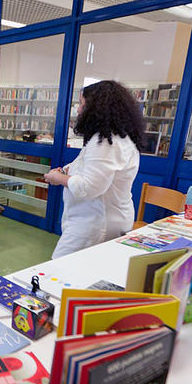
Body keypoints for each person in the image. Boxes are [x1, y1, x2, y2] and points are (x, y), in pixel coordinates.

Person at [43, 80, 143, 259]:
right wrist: (67, 171)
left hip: (94, 224)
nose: (79, 110)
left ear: (96, 107)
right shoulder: (114, 138)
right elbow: (93, 170)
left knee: (59, 267)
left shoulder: (105, 143)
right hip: (102, 219)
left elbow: (89, 187)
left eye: (82, 103)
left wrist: (58, 178)